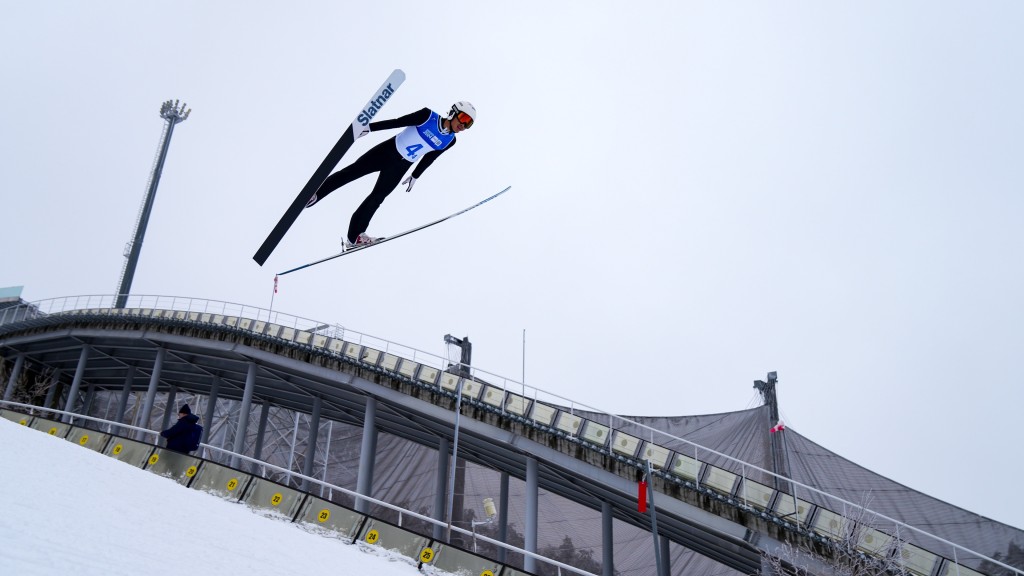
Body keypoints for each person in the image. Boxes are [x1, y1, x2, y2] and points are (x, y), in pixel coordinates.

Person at [304, 101, 477, 248]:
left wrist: (416, 175)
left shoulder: (450, 140)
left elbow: (430, 157)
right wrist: (369, 128)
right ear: (453, 112)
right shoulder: (428, 116)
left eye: (469, 124)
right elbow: (397, 122)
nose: (463, 125)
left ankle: (354, 237)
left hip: (400, 167)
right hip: (387, 151)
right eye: (463, 118)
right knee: (352, 172)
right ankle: (316, 194)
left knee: (376, 199)